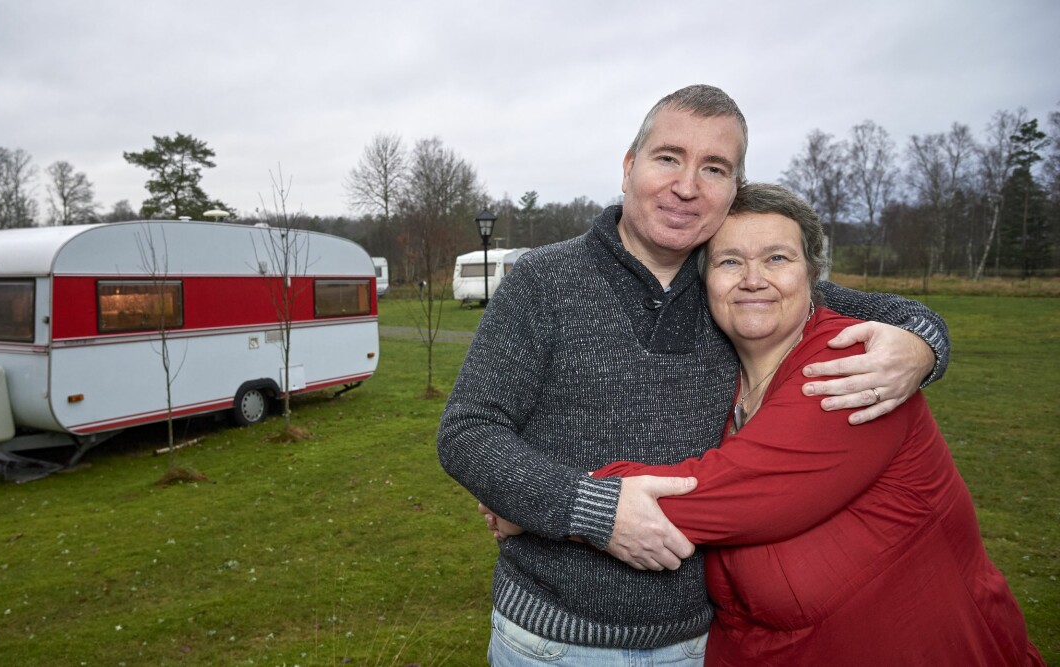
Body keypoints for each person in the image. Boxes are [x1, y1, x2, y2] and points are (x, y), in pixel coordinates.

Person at [437, 84, 951, 666]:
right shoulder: (543, 281)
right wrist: (584, 509)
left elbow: (893, 313)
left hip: (697, 642)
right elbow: (468, 431)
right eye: (668, 159)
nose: (686, 186)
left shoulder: (734, 283)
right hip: (550, 640)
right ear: (629, 167)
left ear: (733, 189)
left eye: (714, 168)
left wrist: (922, 348)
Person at [585, 183, 1043, 665]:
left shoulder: (850, 367)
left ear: (812, 276)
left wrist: (549, 499)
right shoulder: (721, 385)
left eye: (777, 258)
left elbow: (706, 497)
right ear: (706, 282)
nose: (753, 279)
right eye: (730, 261)